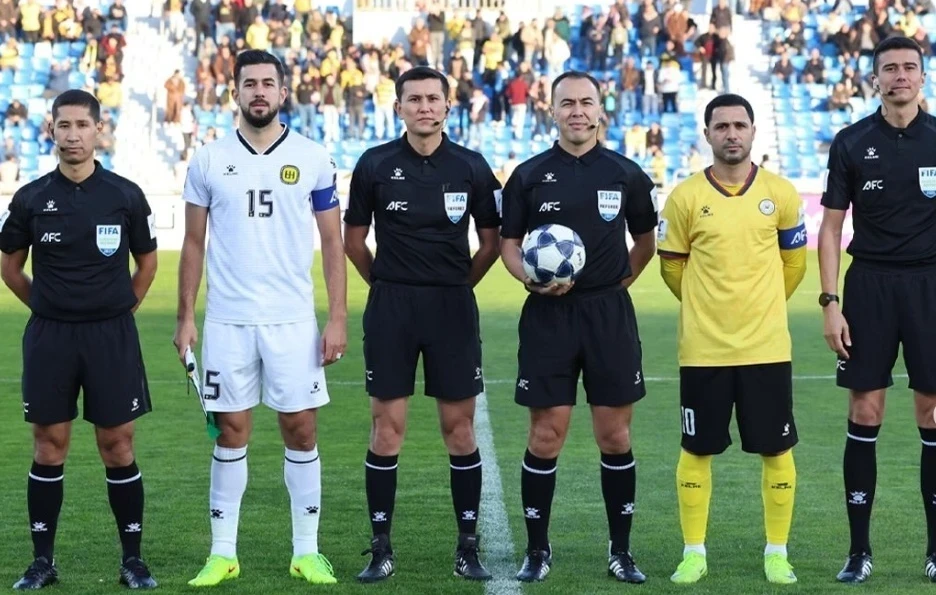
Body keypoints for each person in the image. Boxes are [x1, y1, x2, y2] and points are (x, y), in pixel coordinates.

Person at [173, 49, 347, 587]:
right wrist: (185, 316)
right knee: (230, 432)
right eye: (249, 84)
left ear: (283, 92)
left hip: (292, 322)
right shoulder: (208, 159)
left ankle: (306, 551)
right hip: (227, 322)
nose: (259, 92)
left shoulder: (313, 157)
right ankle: (222, 553)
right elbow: (193, 242)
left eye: (268, 83)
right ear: (235, 92)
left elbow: (332, 240)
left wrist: (337, 316)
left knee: (301, 429)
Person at [343, 66, 502, 583]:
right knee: (386, 429)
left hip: (452, 309)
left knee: (460, 429)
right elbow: (353, 241)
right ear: (399, 108)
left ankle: (468, 547)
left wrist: (457, 285)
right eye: (414, 99)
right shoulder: (374, 164)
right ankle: (381, 548)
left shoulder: (472, 167)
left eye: (433, 98)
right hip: (391, 309)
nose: (424, 107)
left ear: (448, 107)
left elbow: (491, 243)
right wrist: (387, 285)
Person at [499, 70, 658, 584]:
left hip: (608, 316)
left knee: (615, 435)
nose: (577, 111)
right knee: (546, 435)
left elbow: (645, 242)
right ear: (552, 111)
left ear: (600, 110)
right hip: (548, 318)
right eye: (567, 103)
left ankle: (621, 551)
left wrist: (616, 284)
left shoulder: (626, 173)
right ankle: (537, 550)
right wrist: (529, 278)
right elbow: (508, 244)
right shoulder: (528, 175)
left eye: (586, 102)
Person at [0, 89, 159, 590]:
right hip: (51, 337)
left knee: (118, 444)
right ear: (51, 130)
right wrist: (48, 307)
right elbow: (10, 267)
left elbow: (147, 263)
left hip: (111, 336)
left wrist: (121, 310)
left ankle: (132, 560)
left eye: (82, 125)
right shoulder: (30, 198)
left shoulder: (125, 195)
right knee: (49, 445)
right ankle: (42, 563)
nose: (73, 135)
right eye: (63, 125)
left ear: (98, 130)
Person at [658, 93, 807, 585]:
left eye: (739, 125)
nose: (731, 134)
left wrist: (761, 307)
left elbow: (794, 265)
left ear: (753, 131)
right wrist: (707, 308)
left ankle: (777, 552)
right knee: (696, 449)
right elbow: (672, 267)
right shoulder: (684, 197)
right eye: (721, 126)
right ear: (707, 134)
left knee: (776, 450)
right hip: (703, 350)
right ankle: (693, 552)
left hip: (767, 347)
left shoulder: (780, 193)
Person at [818, 35, 936, 584]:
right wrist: (830, 302)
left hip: (930, 287)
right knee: (865, 412)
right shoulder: (851, 141)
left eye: (909, 67)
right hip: (868, 287)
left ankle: (935, 550)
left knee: (932, 414)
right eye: (889, 68)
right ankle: (858, 551)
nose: (900, 76)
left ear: (922, 76)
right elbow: (831, 229)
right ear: (875, 79)